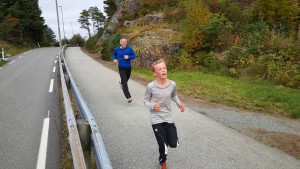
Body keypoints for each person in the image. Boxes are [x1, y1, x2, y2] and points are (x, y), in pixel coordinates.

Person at [144, 59, 185, 169]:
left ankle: (170, 139)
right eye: (160, 69)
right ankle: (163, 161)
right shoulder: (150, 86)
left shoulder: (172, 84)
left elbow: (174, 95)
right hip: (156, 118)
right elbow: (145, 101)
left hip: (168, 117)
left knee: (173, 144)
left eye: (164, 68)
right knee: (163, 145)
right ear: (154, 73)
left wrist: (179, 104)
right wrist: (152, 106)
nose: (163, 70)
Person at [112, 38, 136, 103]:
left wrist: (128, 57)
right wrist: (114, 59)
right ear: (120, 43)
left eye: (125, 42)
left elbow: (134, 56)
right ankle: (128, 97)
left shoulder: (129, 48)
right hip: (121, 68)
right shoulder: (116, 49)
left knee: (125, 80)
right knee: (125, 82)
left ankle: (122, 84)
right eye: (123, 42)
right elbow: (113, 55)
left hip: (128, 67)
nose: (124, 43)